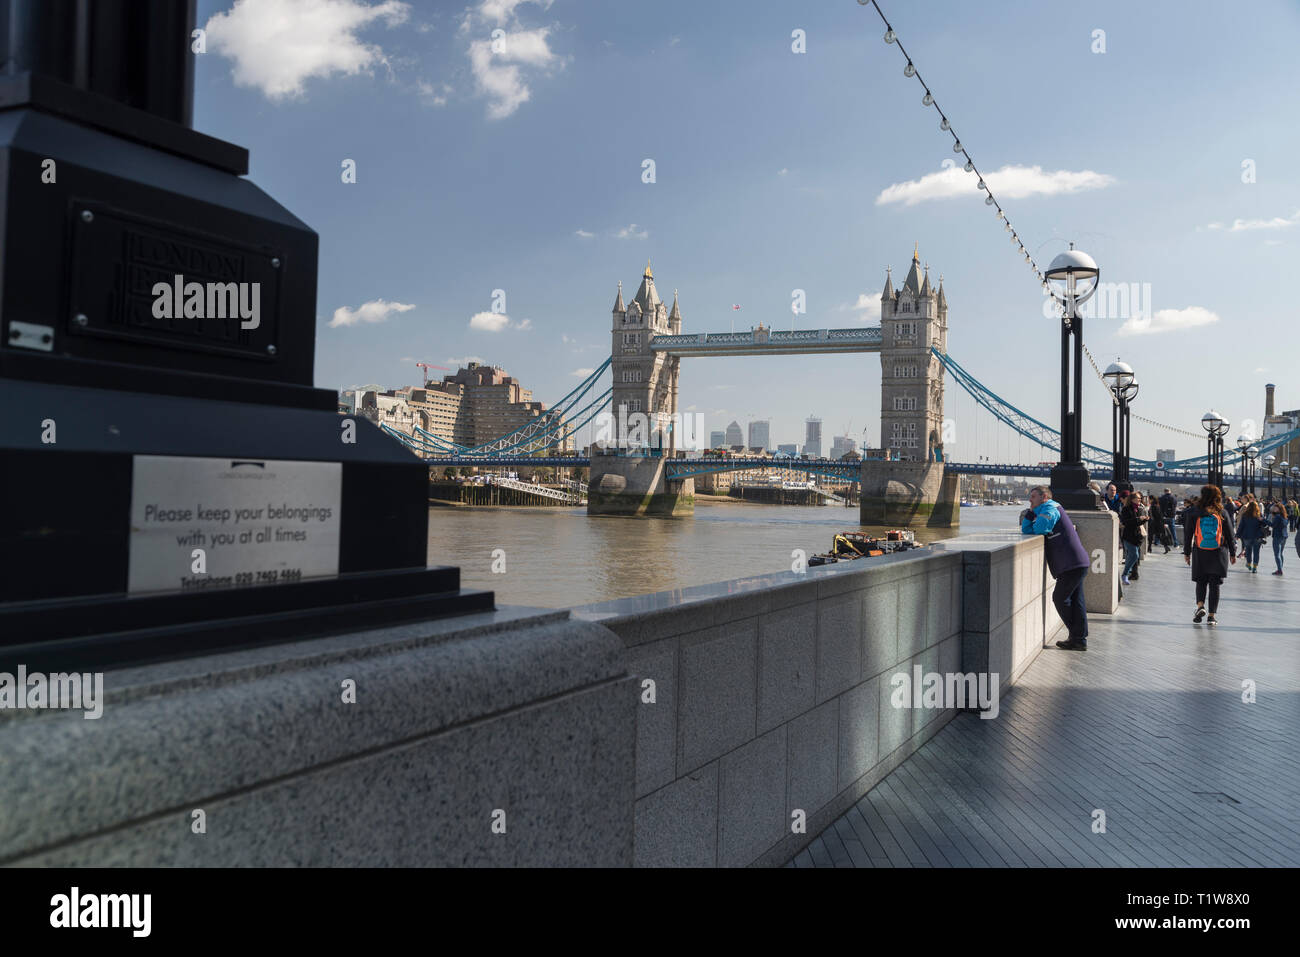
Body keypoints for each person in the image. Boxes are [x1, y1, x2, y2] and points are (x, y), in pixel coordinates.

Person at [1020, 486, 1091, 650]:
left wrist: (1032, 514)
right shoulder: (1044, 508)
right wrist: (1031, 512)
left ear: (1044, 496)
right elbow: (1027, 530)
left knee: (1060, 598)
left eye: (1033, 497)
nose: (1030, 500)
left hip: (1071, 563)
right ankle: (1078, 639)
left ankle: (1077, 635)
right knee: (1076, 602)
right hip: (1073, 562)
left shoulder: (1050, 508)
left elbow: (1039, 529)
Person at [1184, 484, 1237, 626]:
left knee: (1201, 581)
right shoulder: (1222, 512)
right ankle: (1212, 617)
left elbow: (1188, 534)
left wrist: (1187, 553)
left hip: (1200, 551)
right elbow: (1230, 535)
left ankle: (1200, 606)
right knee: (1215, 584)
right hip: (1218, 552)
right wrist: (1233, 553)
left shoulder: (1194, 512)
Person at [1119, 491, 1146, 586]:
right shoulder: (1126, 509)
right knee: (1134, 555)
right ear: (1132, 499)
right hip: (1128, 537)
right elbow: (1126, 522)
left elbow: (1136, 523)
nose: (1140, 500)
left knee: (1131, 556)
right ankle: (1125, 574)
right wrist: (1139, 519)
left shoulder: (1138, 509)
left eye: (1140, 498)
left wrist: (1144, 520)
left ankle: (1126, 573)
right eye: (1138, 498)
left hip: (1136, 537)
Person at [1236, 499, 1264, 573]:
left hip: (1247, 536)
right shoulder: (1259, 515)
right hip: (1257, 536)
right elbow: (1264, 524)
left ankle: (1248, 563)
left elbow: (1241, 526)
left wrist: (1237, 534)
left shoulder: (1245, 515)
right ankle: (1255, 567)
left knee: (1248, 551)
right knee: (1256, 552)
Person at [1267, 501, 1289, 575]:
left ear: (1279, 509)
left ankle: (1279, 570)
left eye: (1275, 508)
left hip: (1277, 536)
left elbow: (1273, 525)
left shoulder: (1277, 517)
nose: (1274, 509)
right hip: (1284, 536)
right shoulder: (1284, 516)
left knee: (1277, 554)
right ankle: (1280, 568)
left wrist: (1263, 520)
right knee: (1281, 553)